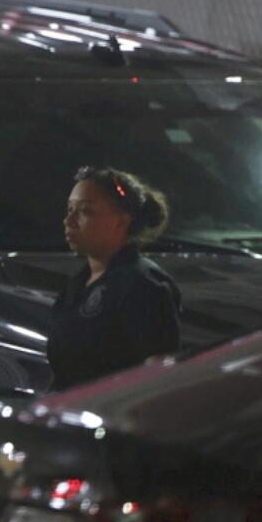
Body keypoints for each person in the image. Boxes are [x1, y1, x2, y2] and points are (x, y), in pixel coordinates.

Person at [49, 165, 181, 390]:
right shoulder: (80, 282)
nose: (69, 220)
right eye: (69, 209)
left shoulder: (142, 285)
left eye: (85, 211)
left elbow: (157, 377)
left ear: (121, 221)